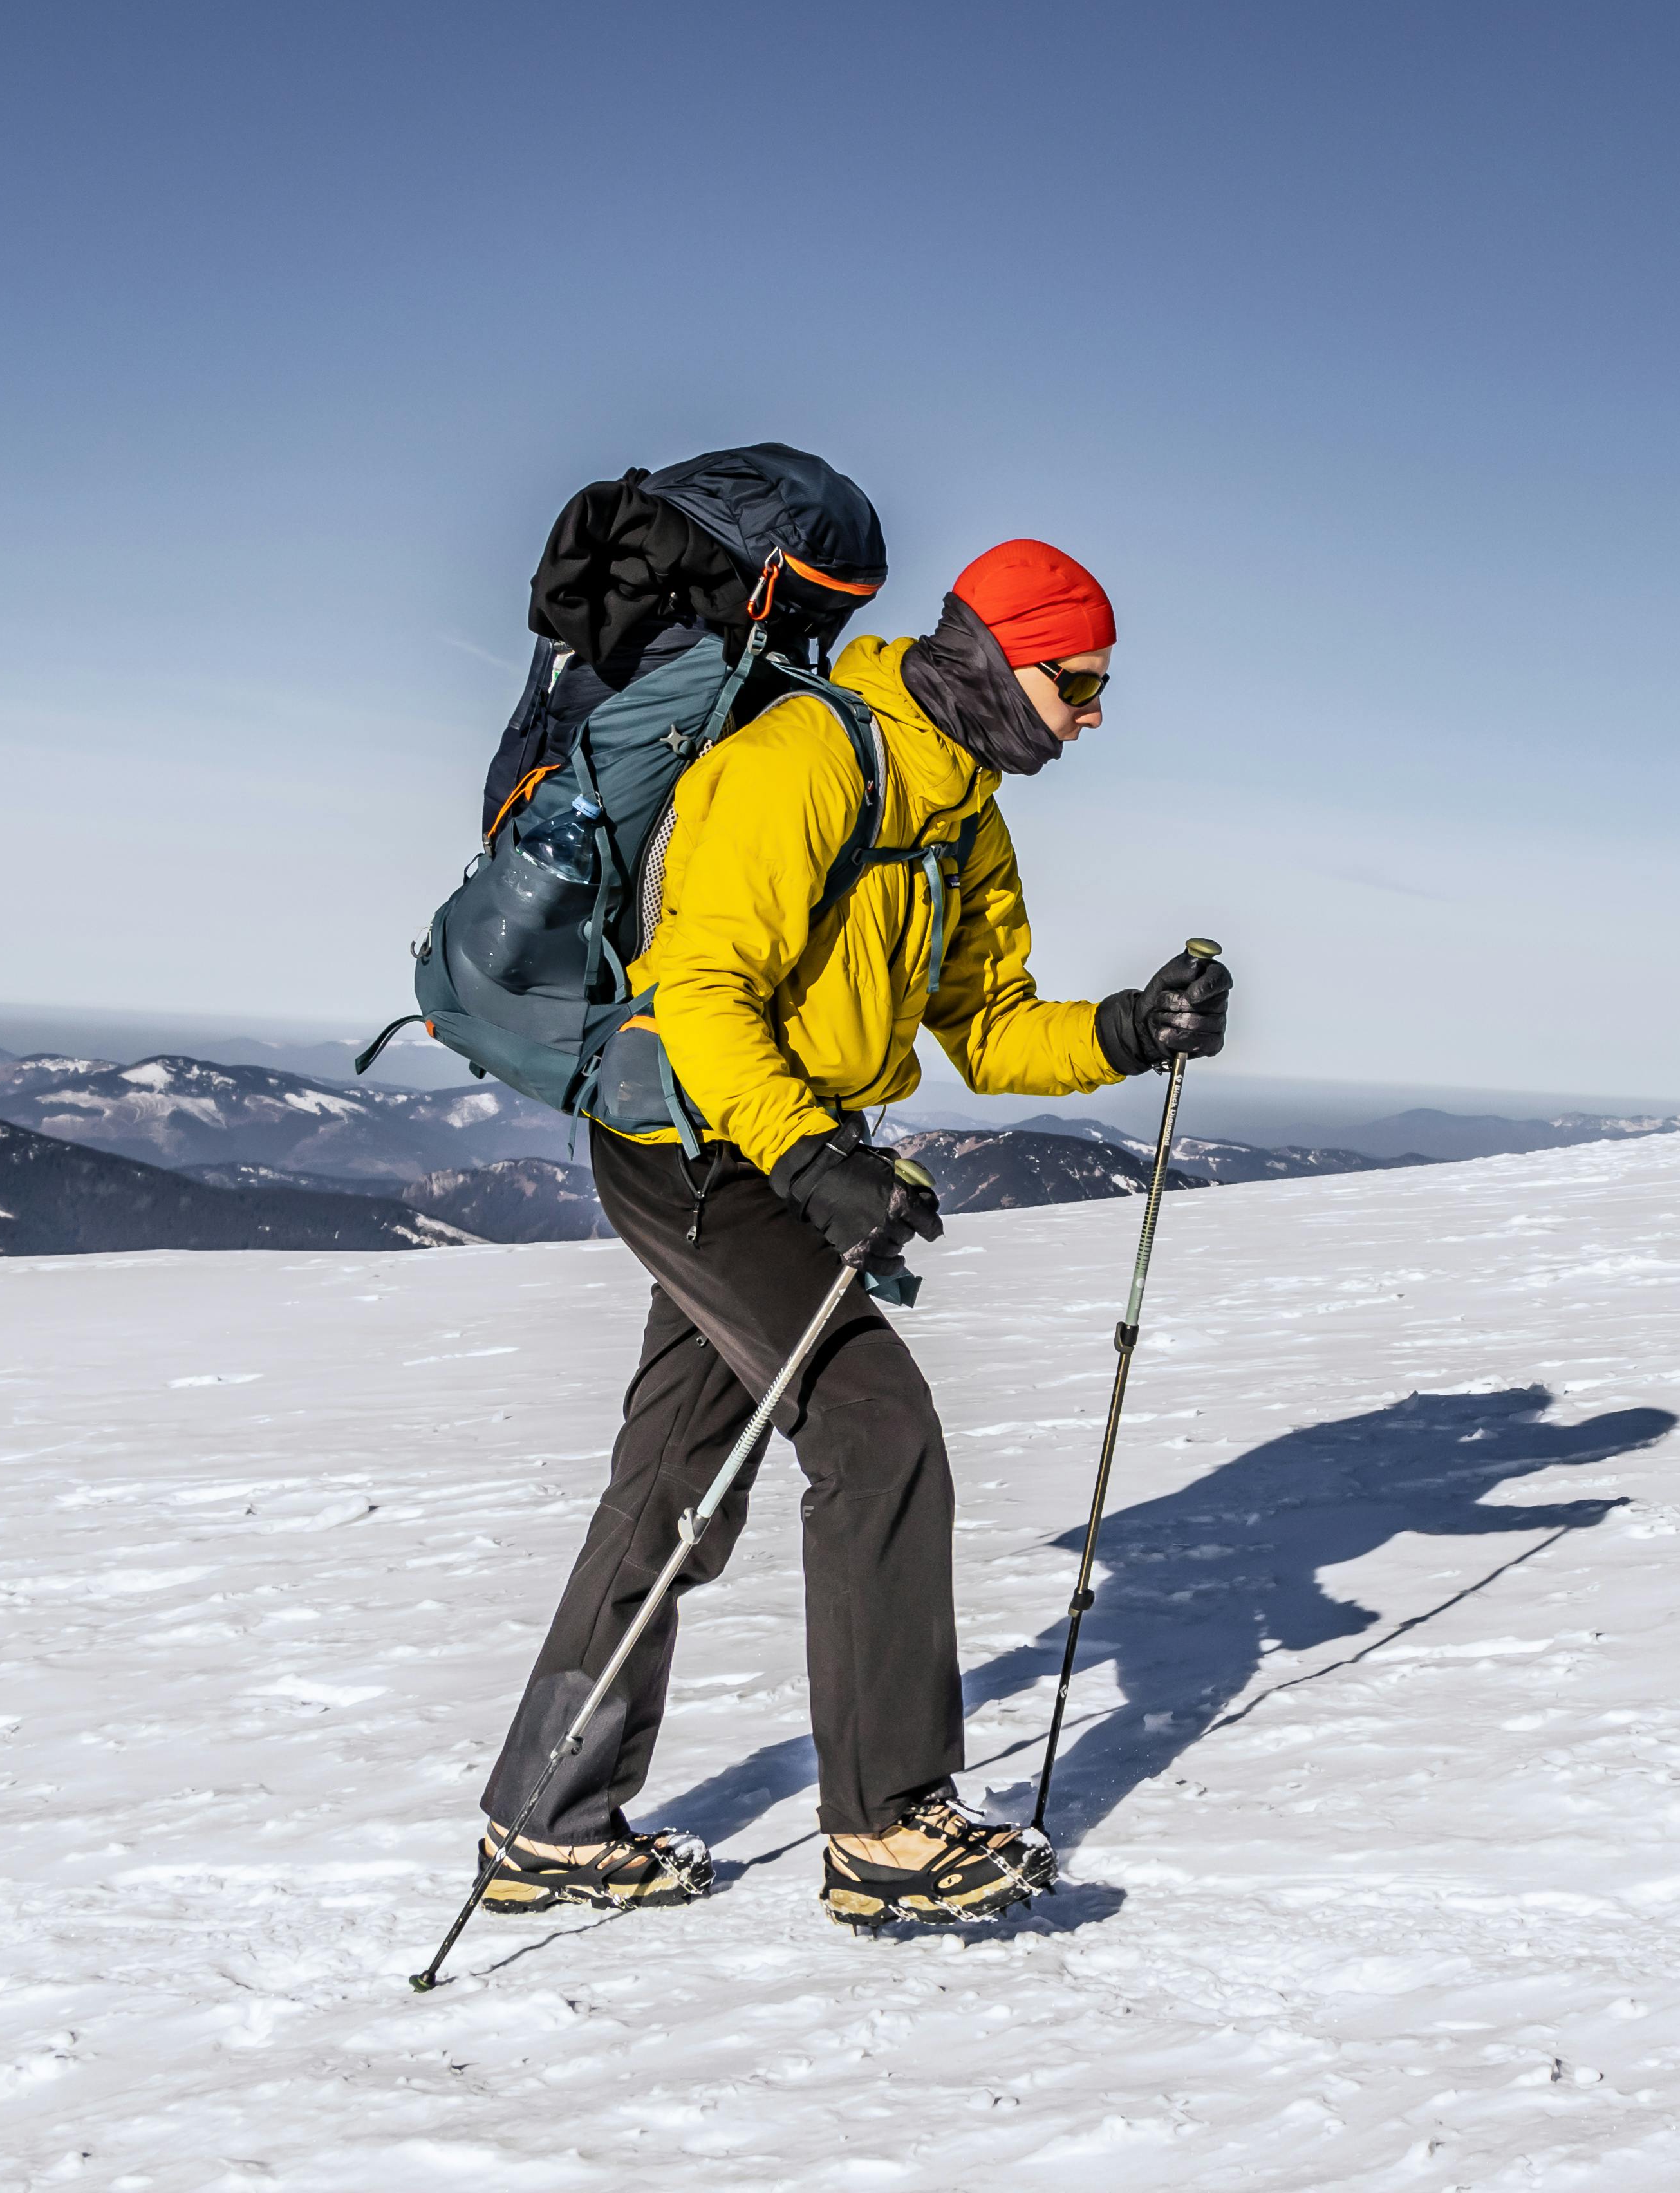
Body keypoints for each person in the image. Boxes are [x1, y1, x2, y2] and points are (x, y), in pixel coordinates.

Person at [472, 537, 1233, 1929]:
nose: (1095, 712)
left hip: (779, 1148)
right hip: (696, 1143)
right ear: (1004, 659)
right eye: (1081, 681)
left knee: (674, 1481)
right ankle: (885, 1828)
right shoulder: (807, 759)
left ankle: (548, 1821)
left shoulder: (964, 812)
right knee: (877, 1432)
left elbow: (991, 1029)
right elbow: (702, 987)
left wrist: (1132, 1026)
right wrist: (818, 1161)